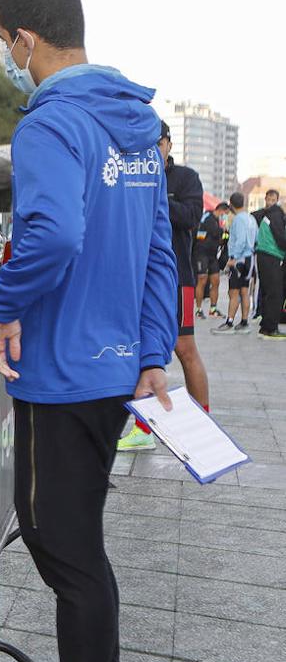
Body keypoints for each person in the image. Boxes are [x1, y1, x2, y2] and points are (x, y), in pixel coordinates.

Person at [0, 0, 177, 662]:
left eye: (4, 44)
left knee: (61, 544)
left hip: (60, 371)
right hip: (114, 368)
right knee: (82, 541)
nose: (7, 58)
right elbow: (161, 253)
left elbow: (52, 237)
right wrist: (153, 353)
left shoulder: (51, 123)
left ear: (25, 38)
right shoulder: (136, 122)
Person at [117, 121, 209, 451]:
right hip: (136, 280)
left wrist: (152, 195)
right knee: (143, 351)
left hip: (178, 278)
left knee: (185, 349)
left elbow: (190, 217)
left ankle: (203, 424)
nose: (152, 148)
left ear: (168, 144)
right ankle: (143, 428)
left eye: (157, 142)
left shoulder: (185, 178)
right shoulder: (128, 171)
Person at [214, 192, 256, 333]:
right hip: (250, 258)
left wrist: (233, 259)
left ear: (231, 204)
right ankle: (244, 322)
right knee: (245, 291)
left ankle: (229, 323)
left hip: (239, 260)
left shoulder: (238, 220)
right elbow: (255, 239)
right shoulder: (251, 219)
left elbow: (240, 241)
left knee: (233, 292)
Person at [254, 188, 286, 340]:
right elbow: (280, 238)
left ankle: (265, 326)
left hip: (262, 255)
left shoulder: (266, 214)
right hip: (272, 256)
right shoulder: (277, 215)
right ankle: (270, 329)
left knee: (267, 291)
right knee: (275, 293)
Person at [193, 203, 229, 318]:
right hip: (202, 253)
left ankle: (213, 308)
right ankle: (198, 309)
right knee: (202, 280)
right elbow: (203, 235)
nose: (225, 216)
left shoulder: (218, 222)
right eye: (225, 214)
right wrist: (221, 232)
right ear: (221, 210)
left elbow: (222, 239)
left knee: (216, 281)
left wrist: (225, 235)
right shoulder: (207, 218)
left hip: (213, 255)